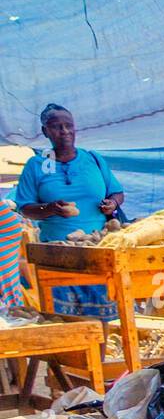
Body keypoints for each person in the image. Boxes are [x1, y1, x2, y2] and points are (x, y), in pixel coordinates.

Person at [13, 104, 125, 317]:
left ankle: (97, 352)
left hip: (97, 249)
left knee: (99, 318)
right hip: (57, 254)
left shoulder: (93, 159)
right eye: (57, 127)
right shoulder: (36, 165)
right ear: (46, 131)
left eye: (69, 126)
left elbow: (117, 193)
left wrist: (112, 204)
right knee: (64, 319)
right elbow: (25, 208)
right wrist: (51, 208)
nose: (64, 131)